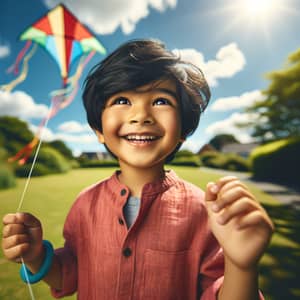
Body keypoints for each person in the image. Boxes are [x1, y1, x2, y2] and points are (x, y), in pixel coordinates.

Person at [2, 39, 274, 300]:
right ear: (99, 130)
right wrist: (37, 257)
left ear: (183, 131)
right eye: (121, 100)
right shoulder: (84, 205)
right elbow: (69, 276)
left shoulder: (204, 212)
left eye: (161, 101)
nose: (141, 115)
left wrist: (241, 266)